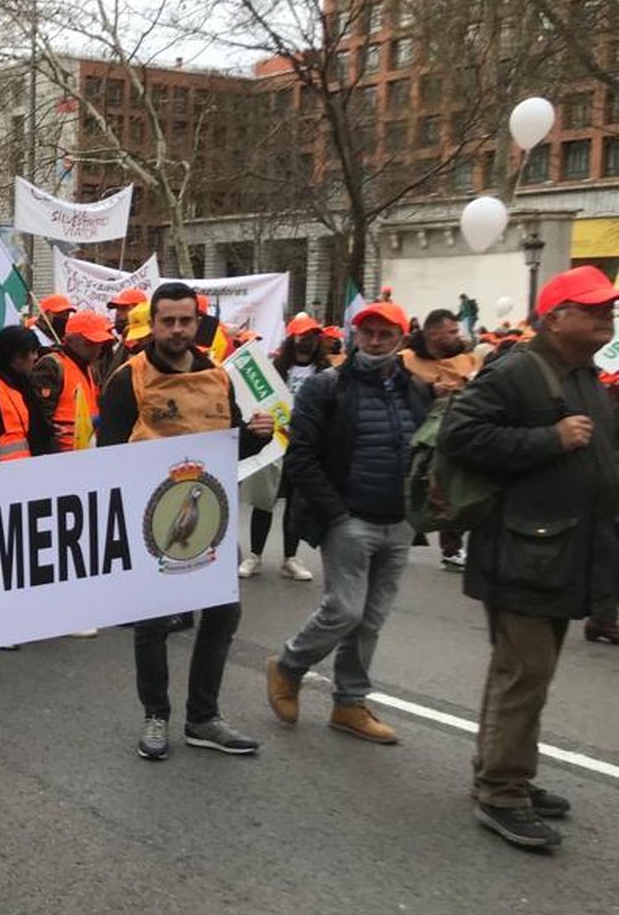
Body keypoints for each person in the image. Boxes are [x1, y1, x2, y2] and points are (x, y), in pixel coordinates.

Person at [437, 266, 619, 850]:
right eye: (593, 308)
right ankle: (502, 792)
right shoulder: (516, 369)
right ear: (556, 316)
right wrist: (550, 439)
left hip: (560, 550)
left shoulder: (584, 372)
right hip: (524, 552)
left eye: (608, 308)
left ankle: (506, 770)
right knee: (523, 675)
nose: (606, 316)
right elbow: (460, 438)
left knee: (523, 675)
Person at [98, 282, 275, 761]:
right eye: (167, 321)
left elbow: (228, 443)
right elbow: (107, 457)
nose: (177, 329)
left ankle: (203, 718)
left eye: (185, 320)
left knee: (222, 614)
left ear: (197, 323)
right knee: (153, 622)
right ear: (153, 324)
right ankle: (156, 714)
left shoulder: (218, 377)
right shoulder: (127, 379)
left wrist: (256, 436)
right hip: (151, 524)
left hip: (209, 521)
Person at [264, 301, 431, 745]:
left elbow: (425, 449)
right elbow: (300, 455)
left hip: (398, 522)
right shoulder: (326, 386)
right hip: (349, 519)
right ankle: (288, 666)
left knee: (371, 619)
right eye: (368, 333)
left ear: (400, 338)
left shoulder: (415, 388)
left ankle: (349, 703)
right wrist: (336, 515)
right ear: (356, 336)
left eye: (385, 334)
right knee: (345, 609)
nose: (376, 341)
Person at [241, 314, 330, 581]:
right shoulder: (273, 369)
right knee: (263, 501)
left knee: (295, 504)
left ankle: (290, 558)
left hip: (305, 448)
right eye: (304, 336)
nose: (309, 341)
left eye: (314, 336)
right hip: (274, 445)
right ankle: (254, 556)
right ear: (293, 338)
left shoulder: (325, 373)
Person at [400, 309, 480, 570]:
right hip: (417, 434)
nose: (458, 336)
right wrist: (428, 390)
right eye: (452, 332)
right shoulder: (405, 360)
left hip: (452, 435)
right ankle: (399, 537)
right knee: (413, 486)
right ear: (433, 333)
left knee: (452, 487)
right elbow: (396, 391)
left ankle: (452, 547)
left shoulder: (463, 359)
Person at [0, 325, 57, 462]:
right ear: (17, 356)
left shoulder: (21, 384)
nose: (36, 357)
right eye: (32, 352)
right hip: (6, 476)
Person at [32, 309, 115, 451]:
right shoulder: (52, 365)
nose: (98, 348)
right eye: (90, 343)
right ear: (70, 340)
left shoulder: (91, 369)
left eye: (100, 343)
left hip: (89, 450)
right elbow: (40, 421)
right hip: (63, 456)